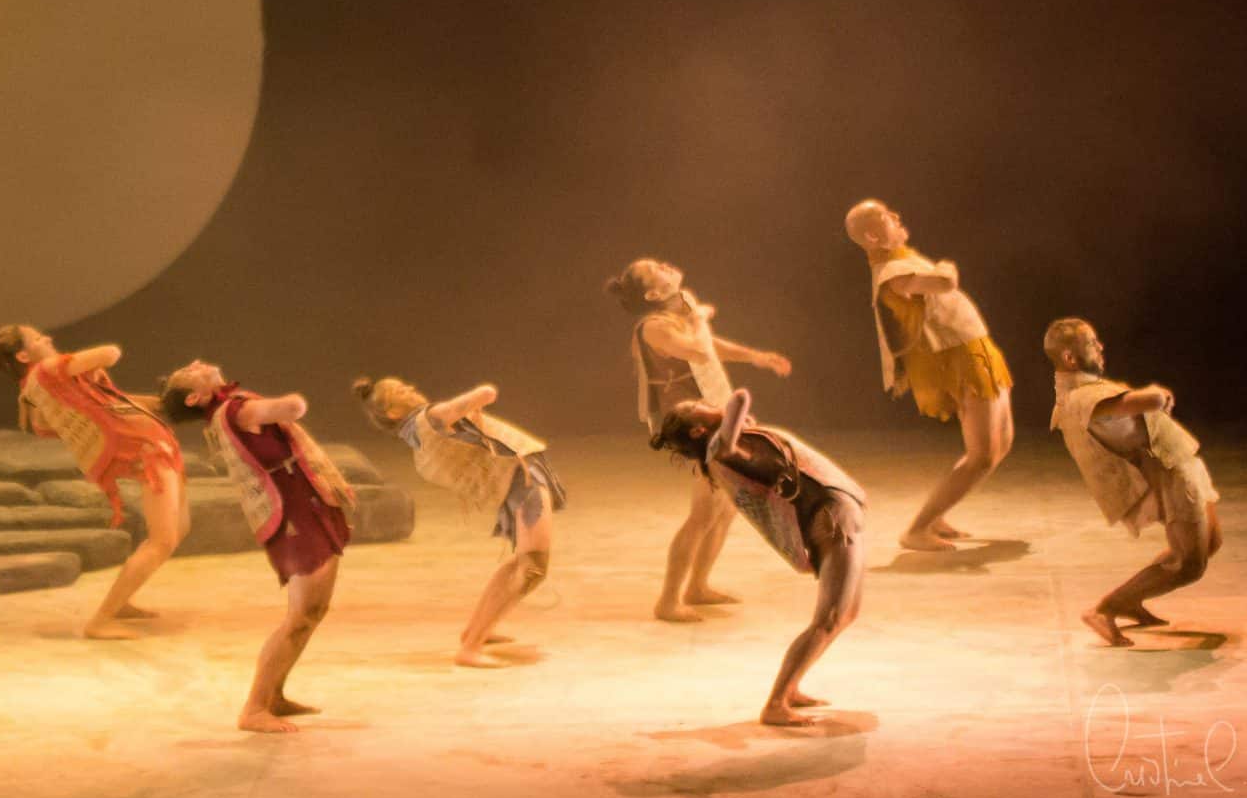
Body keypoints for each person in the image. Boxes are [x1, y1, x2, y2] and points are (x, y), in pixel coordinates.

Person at [159, 358, 353, 734]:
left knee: (311, 613)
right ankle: (255, 708)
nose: (197, 363)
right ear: (195, 397)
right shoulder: (238, 410)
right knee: (301, 616)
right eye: (190, 371)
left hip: (303, 506)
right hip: (294, 515)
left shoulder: (231, 408)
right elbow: (295, 407)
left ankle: (273, 696)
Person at [652, 389, 867, 727]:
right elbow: (737, 404)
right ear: (698, 430)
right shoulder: (720, 448)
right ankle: (776, 703)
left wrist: (730, 419)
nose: (708, 403)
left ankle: (790, 688)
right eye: (699, 407)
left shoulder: (729, 444)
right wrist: (732, 407)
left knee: (846, 614)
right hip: (831, 520)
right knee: (828, 618)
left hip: (834, 514)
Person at [606, 258, 792, 620]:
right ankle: (668, 600)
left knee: (726, 507)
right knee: (704, 512)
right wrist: (700, 319)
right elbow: (697, 350)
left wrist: (755, 357)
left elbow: (709, 345)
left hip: (709, 414)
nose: (664, 265)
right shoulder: (654, 327)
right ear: (653, 294)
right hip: (690, 423)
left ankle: (697, 586)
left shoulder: (680, 315)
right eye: (655, 269)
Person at [0, 326, 190, 637]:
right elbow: (110, 353)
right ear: (24, 356)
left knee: (179, 526)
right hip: (146, 452)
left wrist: (164, 405)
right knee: (163, 540)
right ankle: (102, 620)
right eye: (38, 339)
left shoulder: (37, 388)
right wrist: (76, 364)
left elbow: (79, 413)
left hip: (151, 447)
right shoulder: (49, 370)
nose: (48, 339)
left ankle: (120, 602)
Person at [354, 375, 566, 667]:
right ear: (392, 412)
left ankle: (476, 633)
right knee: (532, 567)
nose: (412, 389)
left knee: (523, 564)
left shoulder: (418, 436)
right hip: (521, 481)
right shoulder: (431, 418)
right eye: (401, 391)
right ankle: (471, 647)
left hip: (517, 479)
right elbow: (486, 392)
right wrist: (474, 402)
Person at [1043, 317, 1222, 647]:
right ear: (1069, 358)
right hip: (1174, 475)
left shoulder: (1083, 391)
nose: (1100, 347)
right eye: (1091, 344)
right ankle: (1106, 609)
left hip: (1181, 464)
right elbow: (1140, 402)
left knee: (1210, 542)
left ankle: (1127, 601)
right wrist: (1157, 396)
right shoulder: (1081, 398)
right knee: (1189, 564)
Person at [846, 200, 1014, 550]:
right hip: (959, 359)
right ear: (873, 237)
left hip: (974, 350)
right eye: (887, 217)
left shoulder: (900, 260)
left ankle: (936, 516)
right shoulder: (891, 271)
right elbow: (944, 282)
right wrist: (946, 266)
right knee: (982, 454)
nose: (897, 217)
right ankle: (917, 529)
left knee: (1002, 442)